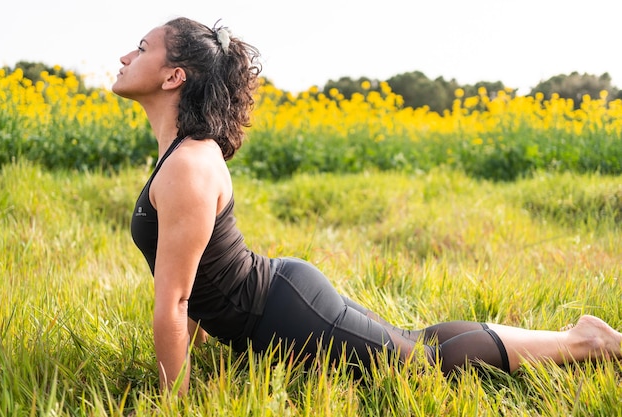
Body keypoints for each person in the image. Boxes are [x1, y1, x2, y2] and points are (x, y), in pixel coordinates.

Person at [112, 17, 622, 396]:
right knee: (410, 346)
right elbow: (193, 287)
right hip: (276, 302)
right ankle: (578, 338)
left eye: (140, 48)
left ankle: (584, 345)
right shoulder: (181, 156)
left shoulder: (187, 164)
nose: (125, 58)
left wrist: (172, 403)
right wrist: (197, 364)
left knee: (417, 365)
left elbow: (175, 302)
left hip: (280, 309)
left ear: (174, 76)